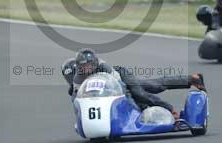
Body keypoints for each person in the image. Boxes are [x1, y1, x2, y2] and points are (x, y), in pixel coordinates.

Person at [61, 48, 206, 120]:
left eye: (89, 65)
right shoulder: (78, 79)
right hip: (111, 86)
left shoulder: (104, 66)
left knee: (138, 94)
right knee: (153, 84)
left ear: (95, 63)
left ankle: (170, 109)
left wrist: (136, 109)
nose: (87, 69)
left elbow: (119, 87)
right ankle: (191, 79)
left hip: (120, 77)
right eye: (83, 67)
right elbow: (77, 102)